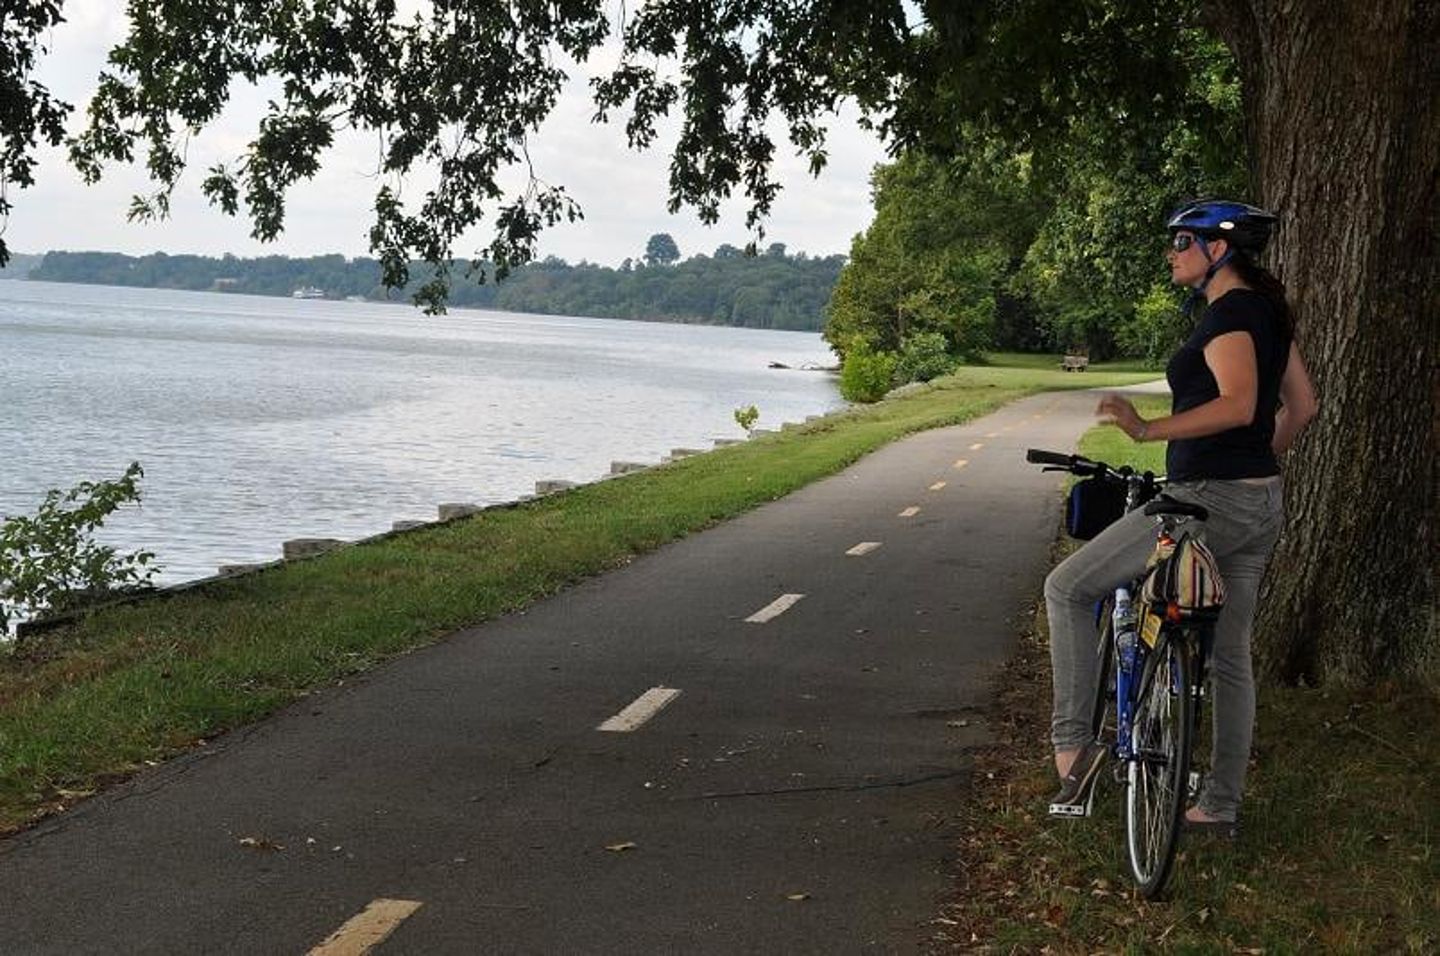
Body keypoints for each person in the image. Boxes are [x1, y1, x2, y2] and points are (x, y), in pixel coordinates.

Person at [1045, 199, 1319, 834]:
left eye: (1182, 241)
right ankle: (1217, 806)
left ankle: (1074, 752)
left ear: (1217, 250)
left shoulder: (1230, 315)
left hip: (1204, 503)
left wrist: (1146, 429)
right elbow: (1302, 406)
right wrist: (1254, 462)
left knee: (1067, 587)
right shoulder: (1269, 315)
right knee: (1231, 657)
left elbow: (1237, 403)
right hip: (1258, 505)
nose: (1172, 251)